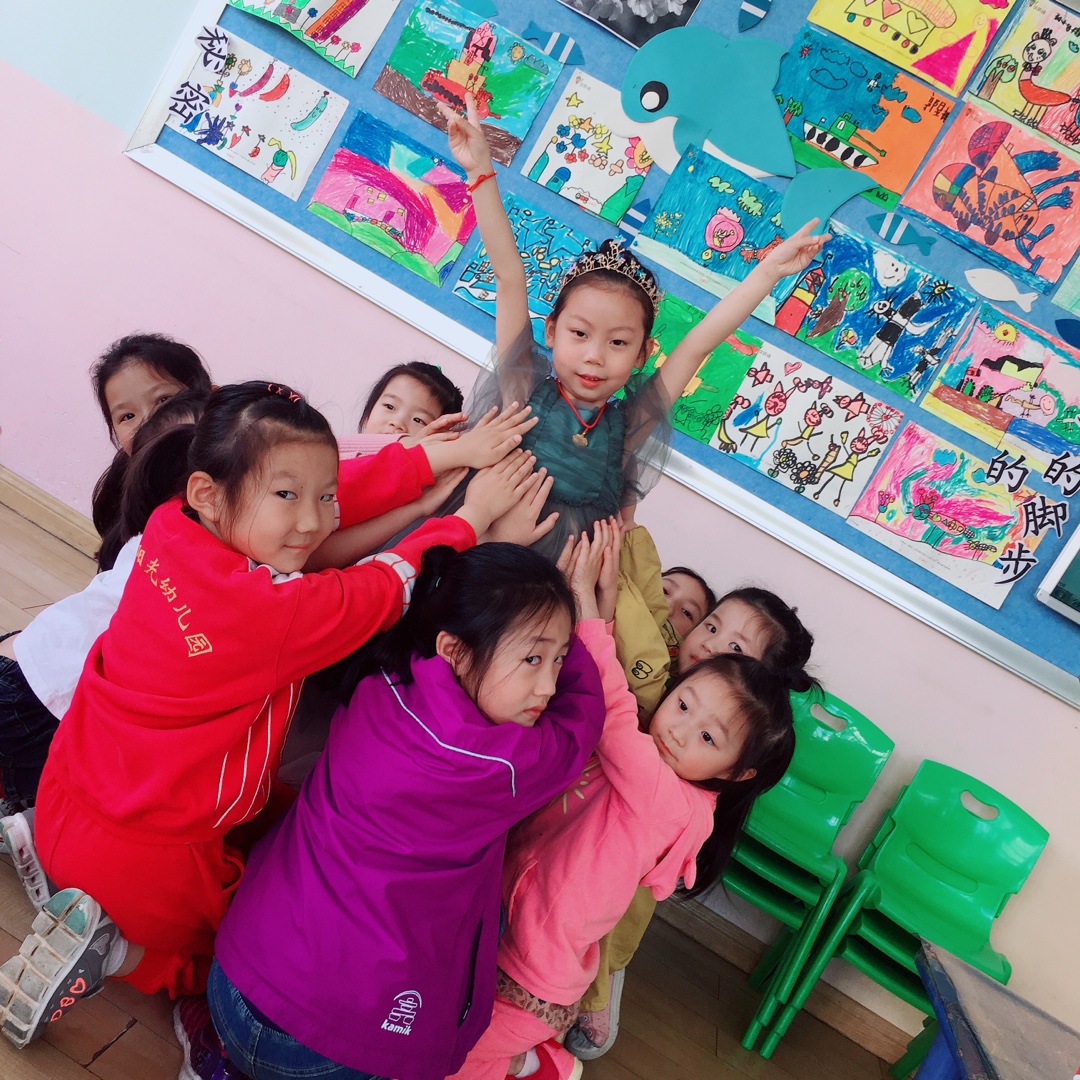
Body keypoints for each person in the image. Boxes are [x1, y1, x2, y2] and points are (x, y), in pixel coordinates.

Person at [0, 381, 542, 1051]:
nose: (313, 519)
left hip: (65, 800)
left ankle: (58, 872)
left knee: (288, 813)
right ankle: (118, 954)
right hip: (149, 867)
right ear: (209, 492)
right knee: (258, 952)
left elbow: (324, 505)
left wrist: (439, 463)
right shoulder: (271, 616)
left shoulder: (173, 526)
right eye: (287, 495)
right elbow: (380, 586)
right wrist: (469, 518)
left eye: (324, 496)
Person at [208, 543, 608, 1080]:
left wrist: (542, 622)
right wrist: (579, 612)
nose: (549, 686)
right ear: (454, 650)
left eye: (558, 660)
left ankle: (221, 1062)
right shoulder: (503, 763)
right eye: (533, 659)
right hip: (328, 1054)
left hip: (234, 983)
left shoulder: (382, 679)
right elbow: (583, 719)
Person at [449, 522, 805, 1080]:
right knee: (453, 1033)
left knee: (453, 1055)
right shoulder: (663, 757)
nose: (680, 731)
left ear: (736, 772)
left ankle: (536, 1065)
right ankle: (530, 1060)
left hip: (534, 974)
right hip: (510, 924)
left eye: (707, 736)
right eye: (683, 705)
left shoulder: (667, 798)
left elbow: (613, 711)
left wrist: (585, 604)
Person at [437, 93, 828, 558]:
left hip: (552, 590)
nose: (594, 356)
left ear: (643, 354)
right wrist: (481, 172)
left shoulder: (628, 427)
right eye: (579, 334)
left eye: (619, 342)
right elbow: (509, 278)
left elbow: (698, 345)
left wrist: (766, 274)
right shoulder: (521, 392)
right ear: (551, 331)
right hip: (475, 563)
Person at [568, 580, 816, 1060]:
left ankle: (599, 990)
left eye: (735, 648)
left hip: (607, 890)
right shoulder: (665, 677)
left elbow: (616, 715)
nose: (708, 643)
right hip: (577, 843)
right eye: (711, 625)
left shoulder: (685, 778)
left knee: (607, 928)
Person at [89, 333, 213, 565]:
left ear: (210, 395)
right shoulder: (118, 495)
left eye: (164, 400)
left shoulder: (236, 470)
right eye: (127, 416)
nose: (148, 421)